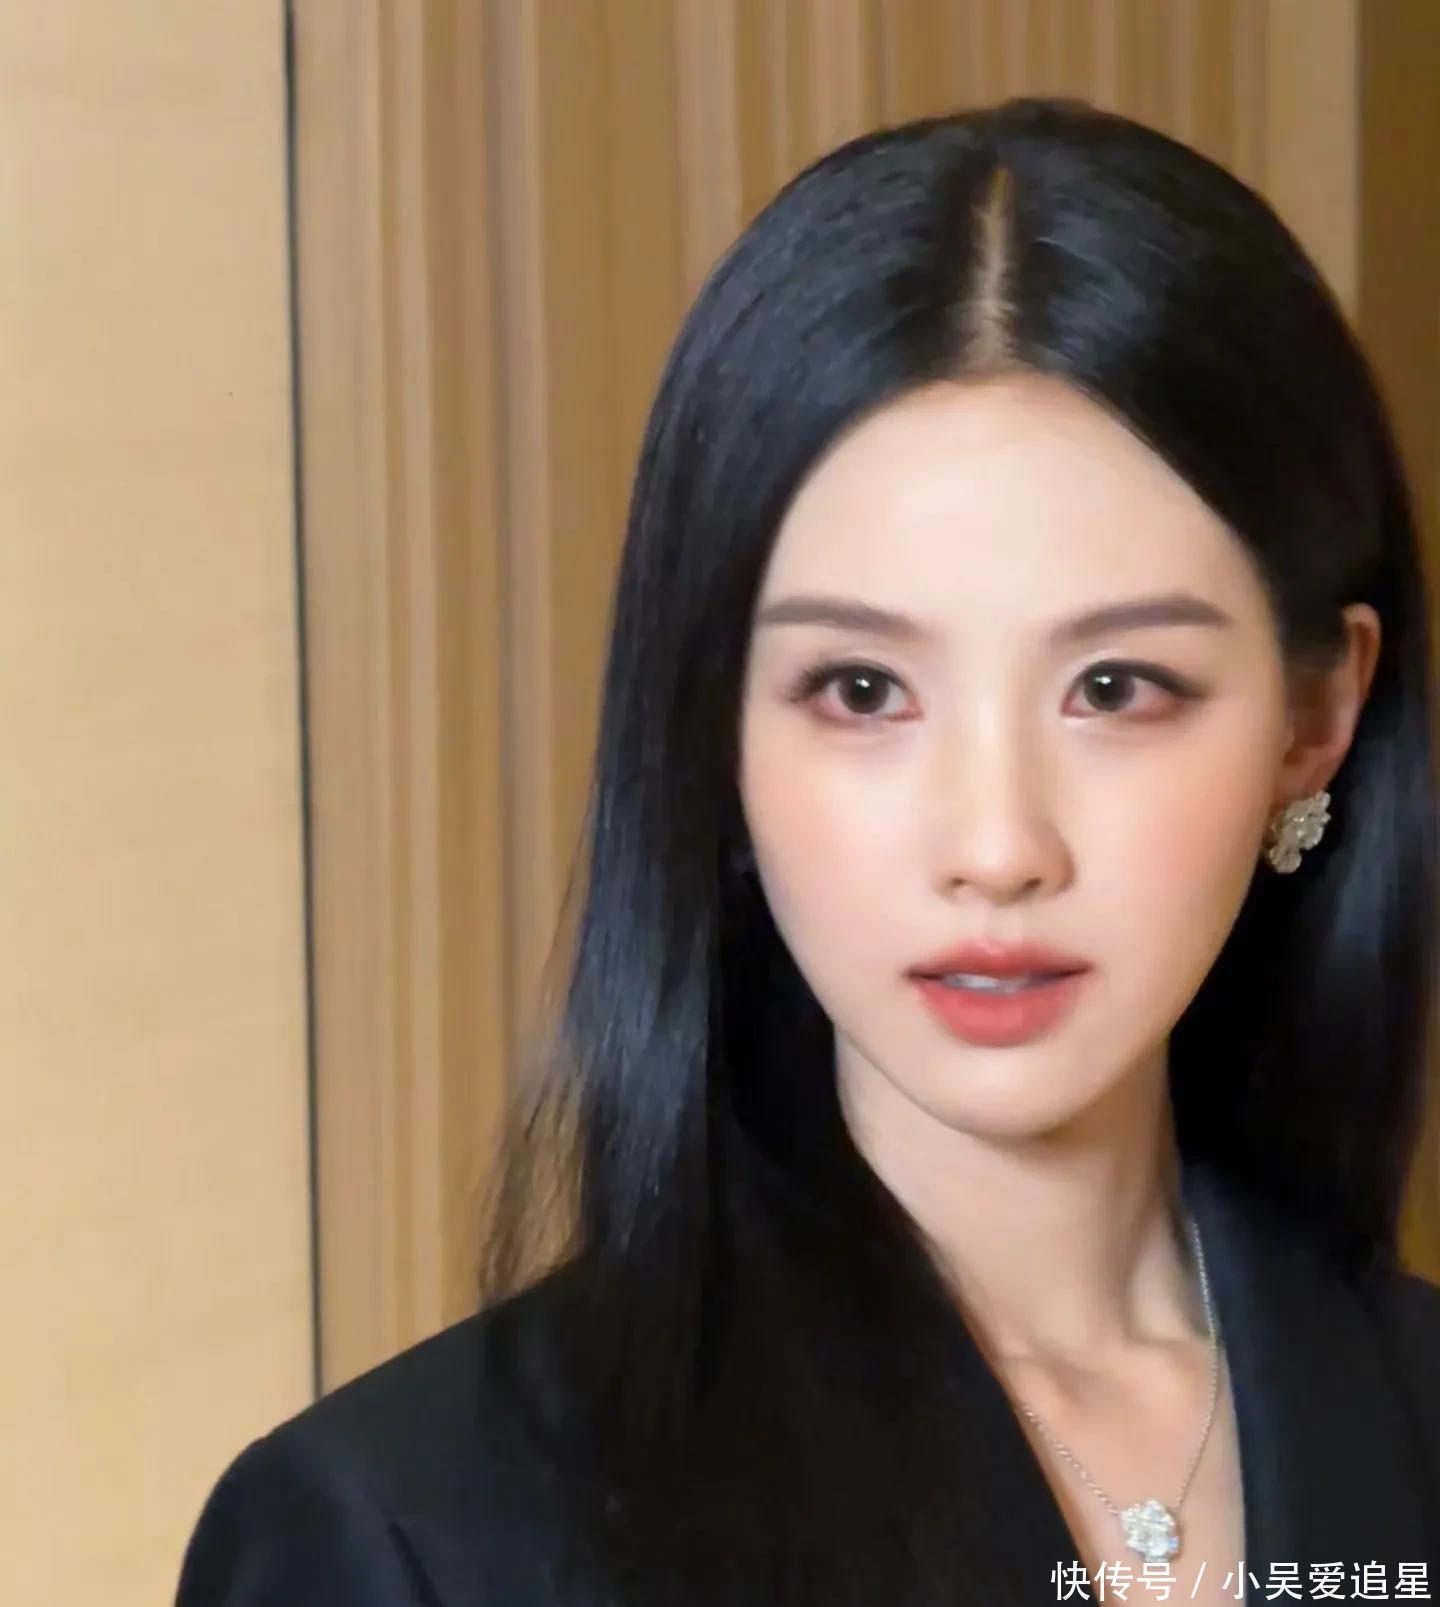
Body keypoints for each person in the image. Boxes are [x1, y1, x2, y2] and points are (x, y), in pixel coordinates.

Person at [175, 96, 1440, 1607]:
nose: (997, 847)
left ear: (1315, 716)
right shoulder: (412, 1538)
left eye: (1116, 689)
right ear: (716, 722)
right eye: (861, 691)